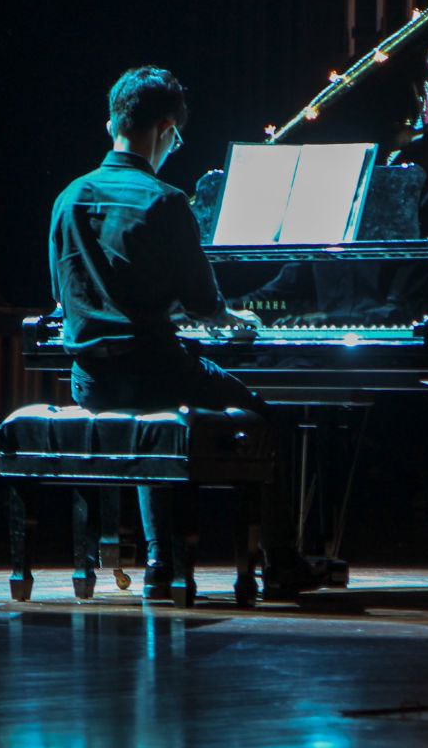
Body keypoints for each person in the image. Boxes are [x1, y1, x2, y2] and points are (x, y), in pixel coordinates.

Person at [49, 65, 327, 600]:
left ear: (113, 125)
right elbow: (207, 310)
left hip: (90, 382)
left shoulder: (67, 198)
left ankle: (161, 563)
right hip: (157, 372)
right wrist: (243, 322)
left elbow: (67, 299)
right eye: (174, 138)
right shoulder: (165, 200)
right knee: (266, 419)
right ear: (165, 130)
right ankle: (281, 562)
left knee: (156, 418)